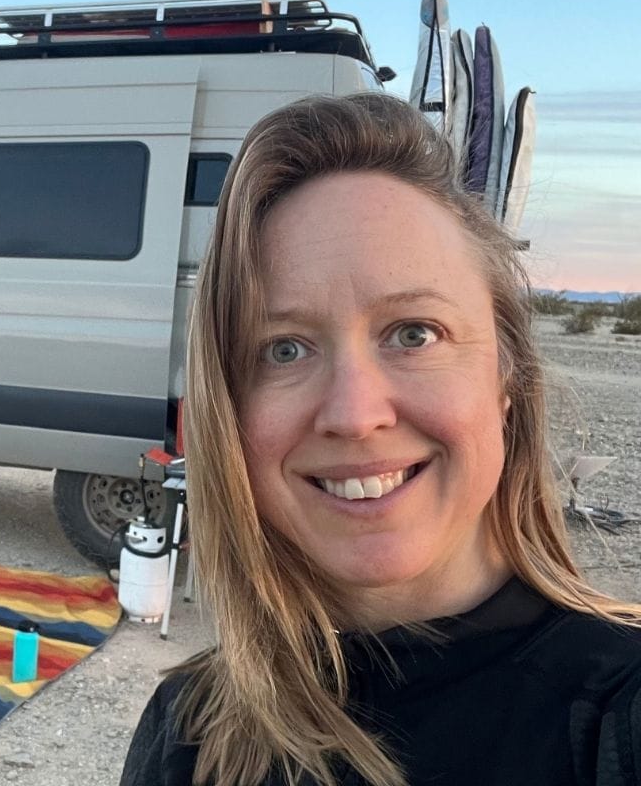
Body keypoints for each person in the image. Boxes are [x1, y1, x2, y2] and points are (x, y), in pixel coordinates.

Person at [120, 92, 641, 786]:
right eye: (283, 350)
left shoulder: (616, 717)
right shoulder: (191, 728)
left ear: (505, 381)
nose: (355, 413)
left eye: (414, 334)